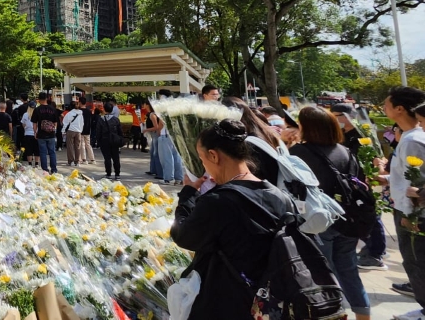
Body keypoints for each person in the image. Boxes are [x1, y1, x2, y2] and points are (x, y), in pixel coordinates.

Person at [170, 119, 294, 320]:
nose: (204, 166)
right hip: (268, 302)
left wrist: (187, 196)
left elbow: (183, 236)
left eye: (202, 159)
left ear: (213, 155)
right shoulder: (279, 196)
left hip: (226, 301)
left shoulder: (218, 202)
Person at [289, 107, 371, 320]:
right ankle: (363, 314)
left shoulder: (299, 152)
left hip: (319, 221)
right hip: (349, 220)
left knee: (323, 274)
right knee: (349, 271)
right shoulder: (345, 151)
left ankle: (335, 314)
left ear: (307, 127)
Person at [382, 86, 425, 320]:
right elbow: (407, 174)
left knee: (416, 261)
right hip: (406, 208)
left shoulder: (413, 140)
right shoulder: (408, 138)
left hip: (412, 213)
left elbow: (419, 182)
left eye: (387, 105)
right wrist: (387, 178)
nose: (384, 108)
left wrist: (410, 215)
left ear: (399, 109)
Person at [144, 100, 183, 184]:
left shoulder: (164, 112)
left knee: (166, 158)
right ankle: (179, 178)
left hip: (165, 135)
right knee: (176, 158)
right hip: (175, 136)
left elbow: (161, 124)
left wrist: (158, 132)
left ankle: (168, 178)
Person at [31, 92, 59, 174]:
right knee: (52, 152)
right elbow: (55, 122)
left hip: (41, 134)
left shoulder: (37, 110)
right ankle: (54, 169)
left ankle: (45, 170)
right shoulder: (53, 109)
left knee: (43, 153)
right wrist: (54, 130)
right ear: (47, 98)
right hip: (51, 134)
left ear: (39, 100)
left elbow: (34, 123)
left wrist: (35, 132)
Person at [96, 104, 124, 178]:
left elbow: (98, 132)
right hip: (114, 140)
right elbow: (120, 131)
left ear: (104, 110)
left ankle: (108, 173)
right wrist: (120, 139)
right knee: (116, 158)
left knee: (107, 158)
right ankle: (117, 174)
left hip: (104, 140)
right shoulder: (116, 119)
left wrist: (98, 141)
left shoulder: (101, 119)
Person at [142, 100, 164, 178]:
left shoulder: (152, 115)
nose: (143, 105)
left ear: (147, 105)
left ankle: (159, 172)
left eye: (144, 104)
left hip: (155, 135)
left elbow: (156, 127)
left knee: (156, 154)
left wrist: (146, 130)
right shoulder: (150, 114)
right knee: (152, 153)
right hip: (153, 135)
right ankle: (153, 170)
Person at [63, 101, 84, 166]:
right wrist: (80, 130)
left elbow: (65, 123)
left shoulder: (69, 113)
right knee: (77, 147)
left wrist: (63, 131)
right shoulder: (81, 114)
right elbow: (82, 123)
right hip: (78, 131)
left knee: (70, 146)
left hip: (71, 130)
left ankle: (71, 161)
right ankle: (77, 161)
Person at [79, 96, 96, 164]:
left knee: (82, 145)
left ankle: (84, 159)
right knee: (88, 144)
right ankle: (92, 159)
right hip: (88, 129)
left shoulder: (79, 111)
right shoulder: (89, 111)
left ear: (80, 102)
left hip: (80, 129)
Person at [21, 101, 39, 167]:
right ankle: (37, 163)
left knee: (29, 150)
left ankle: (30, 164)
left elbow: (23, 124)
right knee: (37, 149)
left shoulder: (25, 114)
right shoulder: (38, 114)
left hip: (27, 134)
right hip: (36, 134)